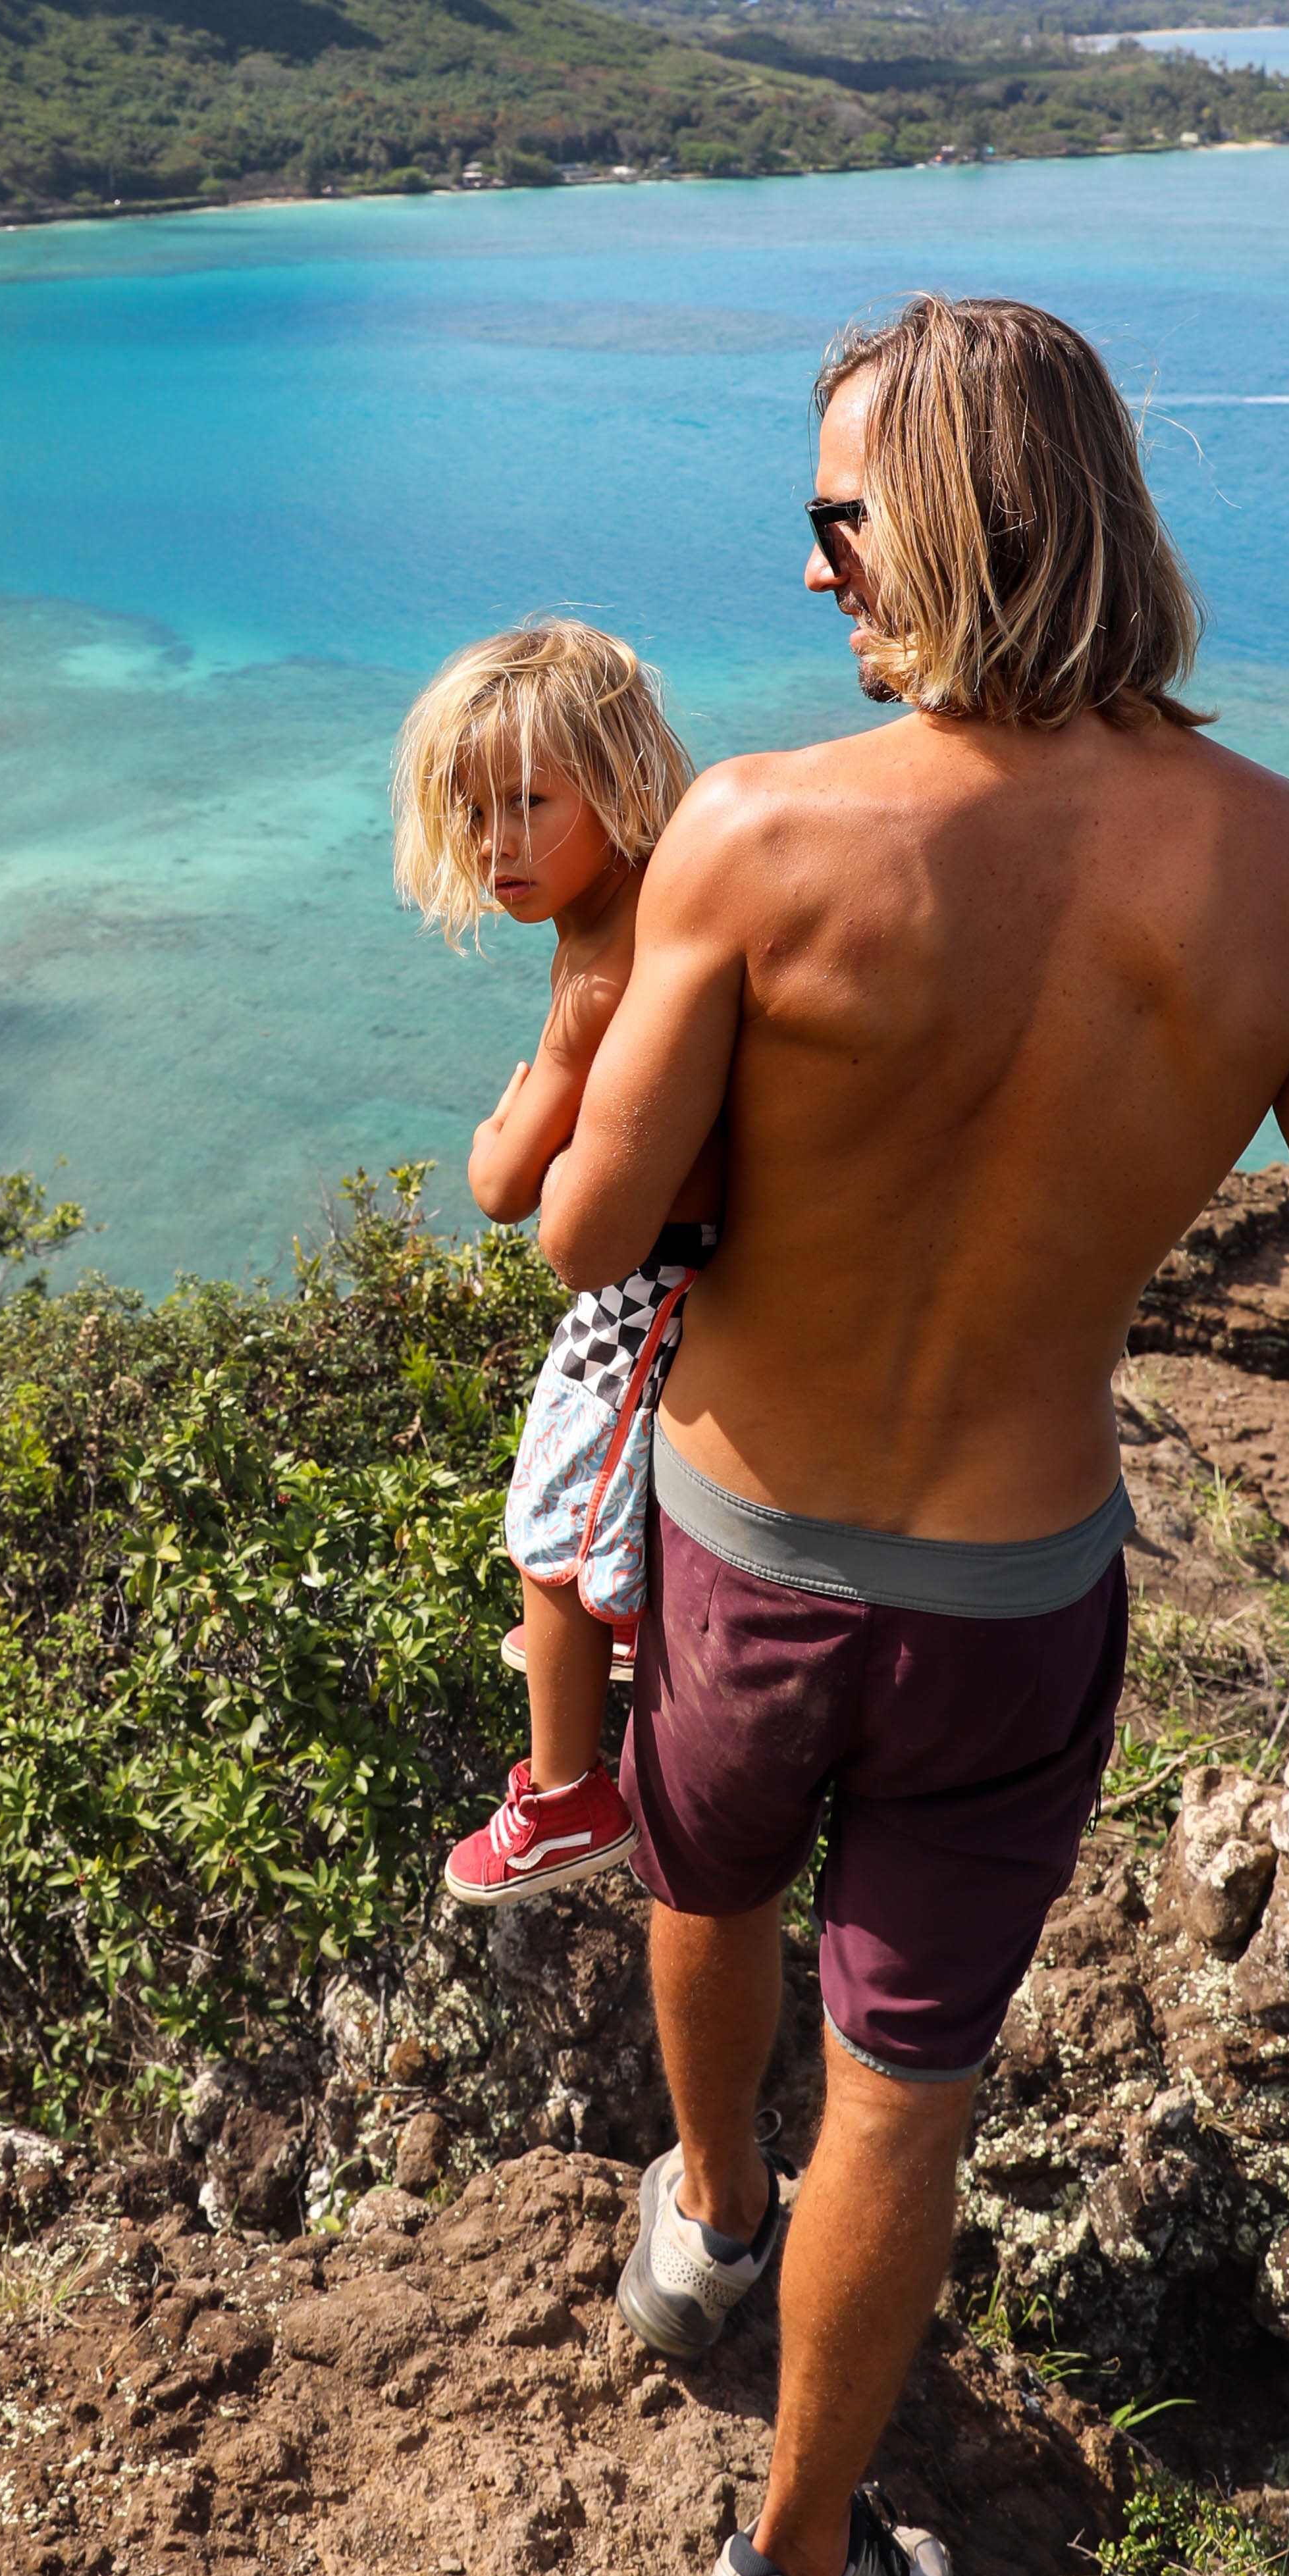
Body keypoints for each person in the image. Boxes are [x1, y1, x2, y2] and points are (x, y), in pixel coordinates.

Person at [536, 294, 1289, 2576]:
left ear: (955, 518)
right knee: (910, 2077)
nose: (817, 573)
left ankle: (707, 2227)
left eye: (841, 520)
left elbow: (583, 1233)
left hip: (745, 1549)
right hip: (1015, 1600)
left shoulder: (757, 829)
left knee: (705, 1873)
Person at [390, 621, 722, 1900]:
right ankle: (613, 1634)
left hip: (650, 1285)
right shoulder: (670, 891)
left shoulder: (596, 963)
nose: (494, 845)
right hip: (690, 1262)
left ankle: (567, 1796)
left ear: (619, 780)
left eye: (527, 803)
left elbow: (499, 1187)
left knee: (548, 1523)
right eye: (469, 812)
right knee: (583, 1524)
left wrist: (496, 1127)